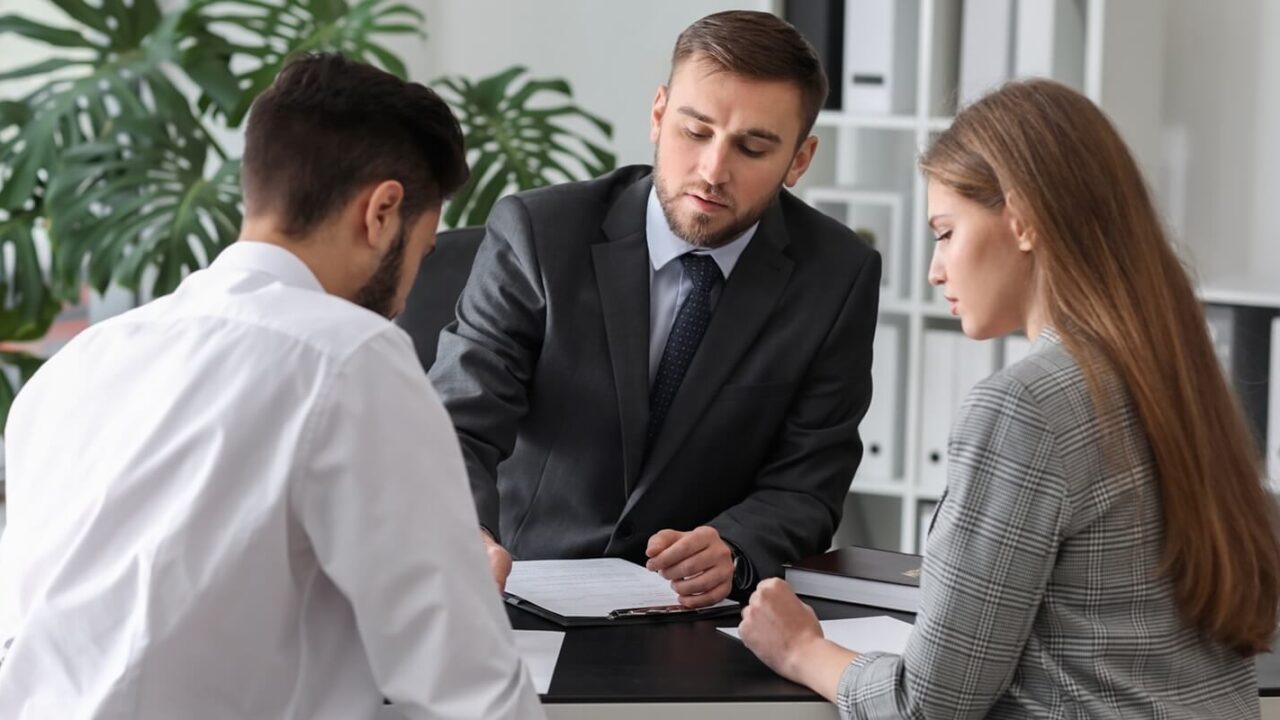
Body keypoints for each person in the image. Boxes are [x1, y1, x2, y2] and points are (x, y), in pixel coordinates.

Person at [0, 53, 544, 720]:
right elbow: (469, 687)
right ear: (382, 212)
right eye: (422, 255)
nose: (405, 301)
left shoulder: (72, 371)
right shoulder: (352, 356)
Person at [737, 77, 1280, 718]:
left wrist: (801, 648)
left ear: (1021, 219)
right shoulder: (1178, 379)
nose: (935, 269)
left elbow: (931, 706)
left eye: (944, 232)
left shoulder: (1027, 406)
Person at [427, 10, 881, 608]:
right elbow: (457, 423)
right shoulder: (540, 234)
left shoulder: (837, 275)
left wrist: (736, 548)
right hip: (521, 584)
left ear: (799, 159)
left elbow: (809, 480)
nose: (714, 171)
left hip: (694, 612)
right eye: (695, 132)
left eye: (751, 147)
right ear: (659, 113)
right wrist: (469, 535)